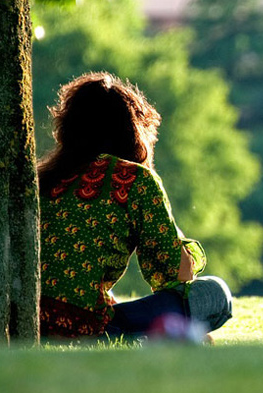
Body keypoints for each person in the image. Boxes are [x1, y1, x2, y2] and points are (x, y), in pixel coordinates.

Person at [37, 71, 232, 340]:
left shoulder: (42, 177)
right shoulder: (132, 178)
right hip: (86, 328)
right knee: (215, 294)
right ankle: (146, 337)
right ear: (132, 130)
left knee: (108, 299)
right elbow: (175, 273)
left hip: (32, 321)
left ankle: (142, 336)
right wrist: (150, 182)